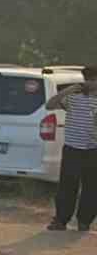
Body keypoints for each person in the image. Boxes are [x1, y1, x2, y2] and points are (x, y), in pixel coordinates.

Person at [46, 66, 97, 231]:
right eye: (88, 79)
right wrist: (66, 91)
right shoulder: (74, 97)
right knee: (67, 185)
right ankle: (61, 220)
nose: (90, 83)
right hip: (73, 148)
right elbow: (50, 105)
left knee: (92, 187)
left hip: (93, 150)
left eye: (93, 80)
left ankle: (84, 222)